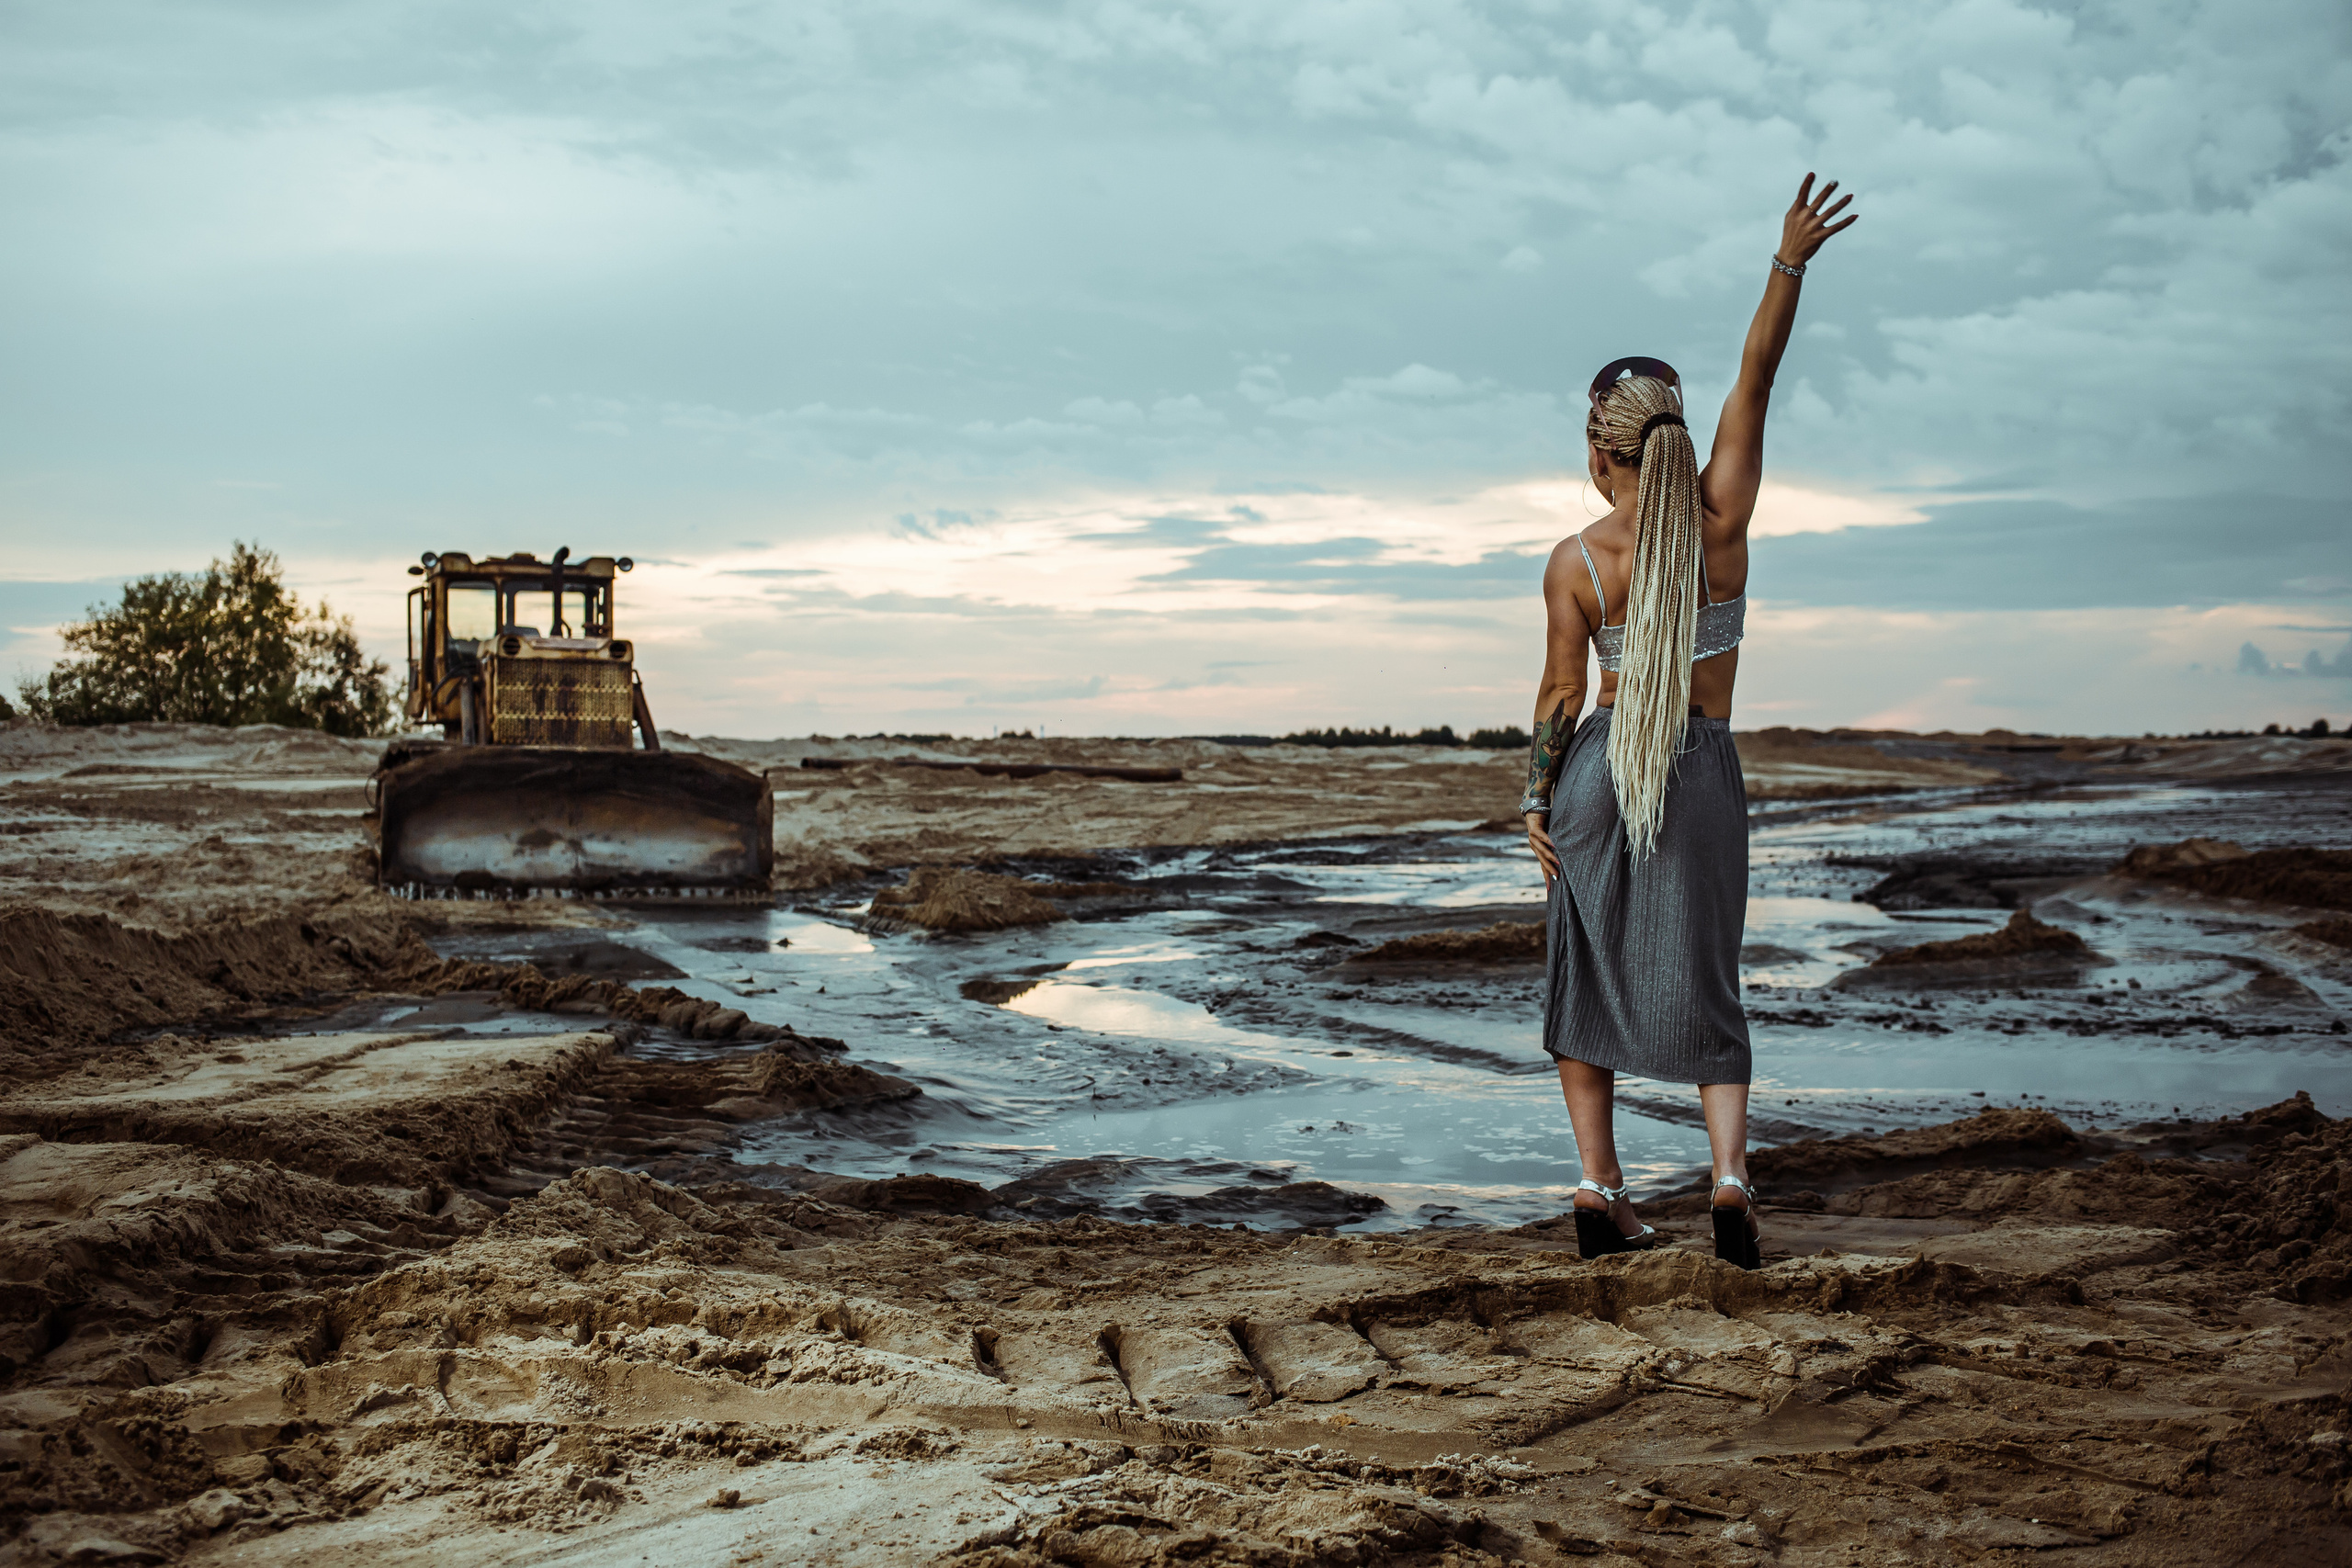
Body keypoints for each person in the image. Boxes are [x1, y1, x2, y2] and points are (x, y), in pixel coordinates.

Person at [1519, 175, 1858, 1268]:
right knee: (1707, 969)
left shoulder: (1574, 561)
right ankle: (1725, 1178)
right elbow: (1758, 373)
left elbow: (1559, 699)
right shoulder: (1722, 517)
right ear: (1667, 436)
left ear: (1597, 451)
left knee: (1586, 967)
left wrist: (1534, 797)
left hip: (1599, 769)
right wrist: (1787, 261)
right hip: (1697, 764)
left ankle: (1595, 1184)